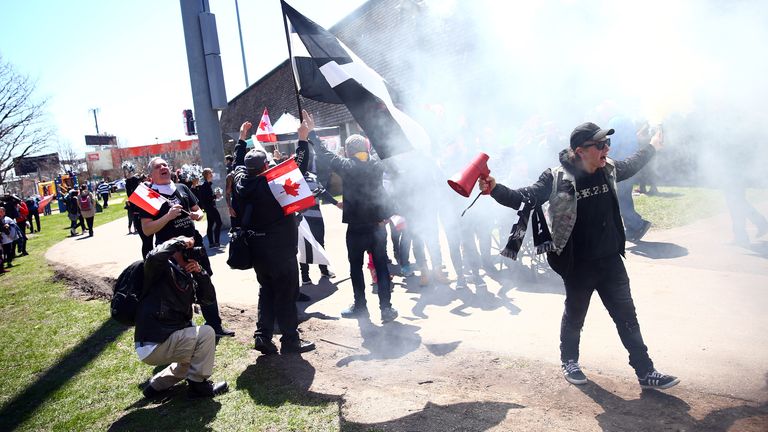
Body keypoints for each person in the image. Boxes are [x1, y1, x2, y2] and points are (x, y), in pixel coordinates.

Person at [478, 121, 679, 390]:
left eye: (607, 143)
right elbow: (525, 197)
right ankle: (569, 360)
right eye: (600, 145)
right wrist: (495, 188)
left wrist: (653, 146)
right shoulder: (556, 177)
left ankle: (645, 371)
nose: (606, 148)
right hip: (578, 263)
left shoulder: (608, 168)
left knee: (627, 317)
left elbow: (633, 163)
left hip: (610, 260)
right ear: (580, 151)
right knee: (575, 315)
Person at [233, 117, 315, 355]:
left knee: (266, 292)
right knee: (286, 295)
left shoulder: (241, 182)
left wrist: (240, 141)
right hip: (281, 250)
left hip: (257, 250)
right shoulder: (272, 184)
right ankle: (290, 341)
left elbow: (236, 165)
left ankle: (263, 335)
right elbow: (299, 168)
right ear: (266, 167)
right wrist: (302, 139)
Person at [139, 157, 235, 338]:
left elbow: (198, 209)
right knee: (177, 289)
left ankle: (215, 326)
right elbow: (147, 228)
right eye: (158, 167)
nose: (163, 168)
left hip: (194, 246)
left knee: (205, 282)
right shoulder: (149, 195)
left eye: (165, 165)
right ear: (151, 175)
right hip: (171, 252)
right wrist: (167, 217)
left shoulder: (182, 188)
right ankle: (184, 332)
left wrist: (196, 215)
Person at [313, 125, 398, 323]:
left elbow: (324, 154)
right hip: (377, 226)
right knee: (381, 267)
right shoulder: (377, 164)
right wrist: (389, 212)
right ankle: (386, 308)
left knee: (355, 267)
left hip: (357, 228)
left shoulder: (346, 165)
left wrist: (311, 134)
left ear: (348, 150)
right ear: (366, 149)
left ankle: (360, 306)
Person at [136, 236, 228, 399]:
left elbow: (208, 299)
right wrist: (179, 242)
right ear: (173, 252)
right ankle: (198, 386)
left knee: (194, 353)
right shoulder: (160, 269)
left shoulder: (184, 275)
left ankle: (156, 386)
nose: (189, 254)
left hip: (159, 341)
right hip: (154, 342)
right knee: (206, 333)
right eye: (185, 251)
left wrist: (200, 274)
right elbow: (153, 256)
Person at [607, 116, 651, 241]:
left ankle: (637, 225)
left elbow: (611, 145)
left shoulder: (615, 122)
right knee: (623, 198)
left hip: (620, 166)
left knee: (621, 199)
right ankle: (633, 228)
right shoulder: (626, 122)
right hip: (630, 165)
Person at [197, 168, 223, 248]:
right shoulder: (204, 185)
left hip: (209, 207)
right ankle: (217, 242)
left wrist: (214, 196)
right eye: (210, 173)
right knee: (219, 223)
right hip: (210, 207)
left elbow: (207, 197)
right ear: (206, 175)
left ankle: (212, 243)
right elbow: (207, 198)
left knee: (210, 225)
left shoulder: (206, 184)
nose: (212, 174)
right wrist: (216, 196)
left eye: (211, 172)